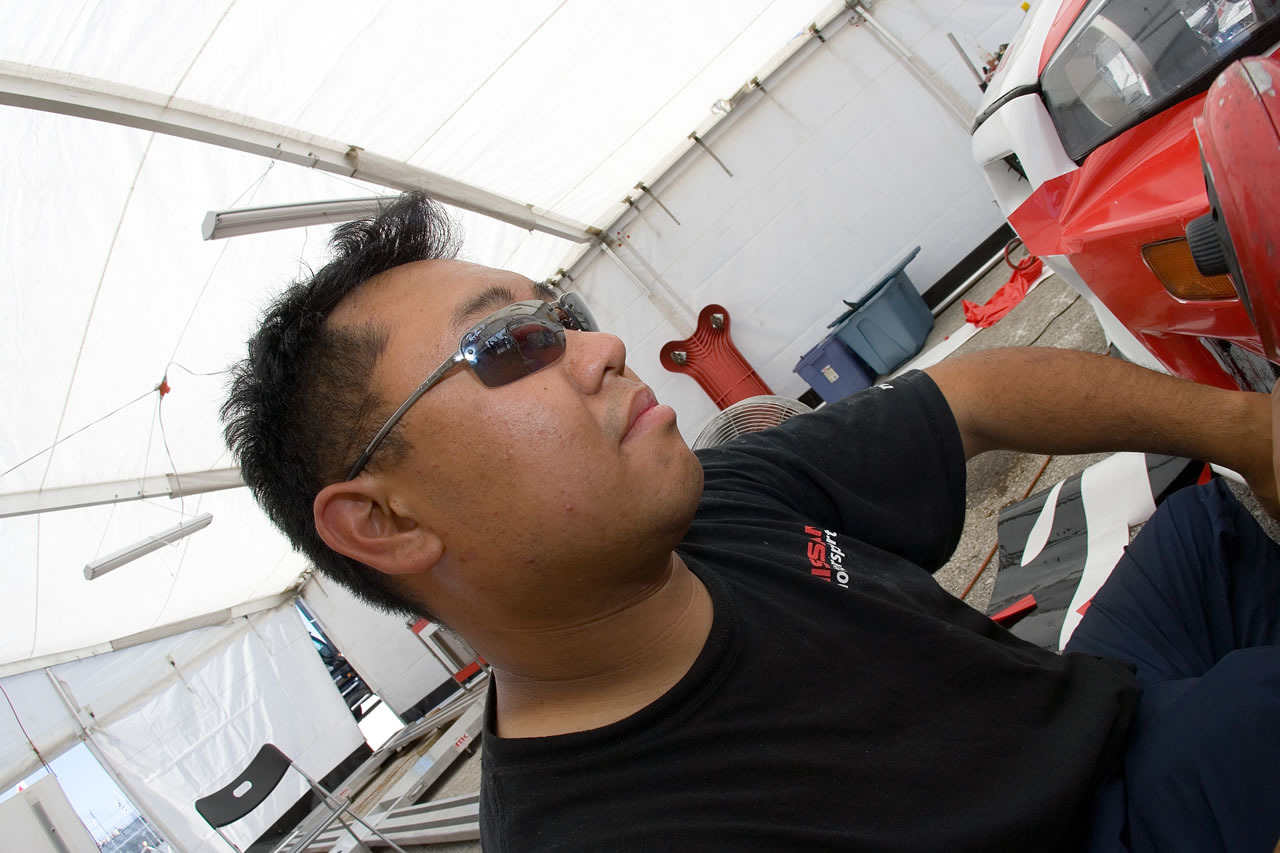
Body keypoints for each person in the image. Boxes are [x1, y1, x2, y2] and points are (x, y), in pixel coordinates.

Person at [221, 192, 1280, 852]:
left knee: (1202, 536)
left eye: (563, 317)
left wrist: (1251, 431)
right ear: (384, 520)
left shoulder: (714, 504)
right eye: (507, 344)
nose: (602, 348)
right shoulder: (608, 833)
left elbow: (970, 398)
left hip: (1085, 715)